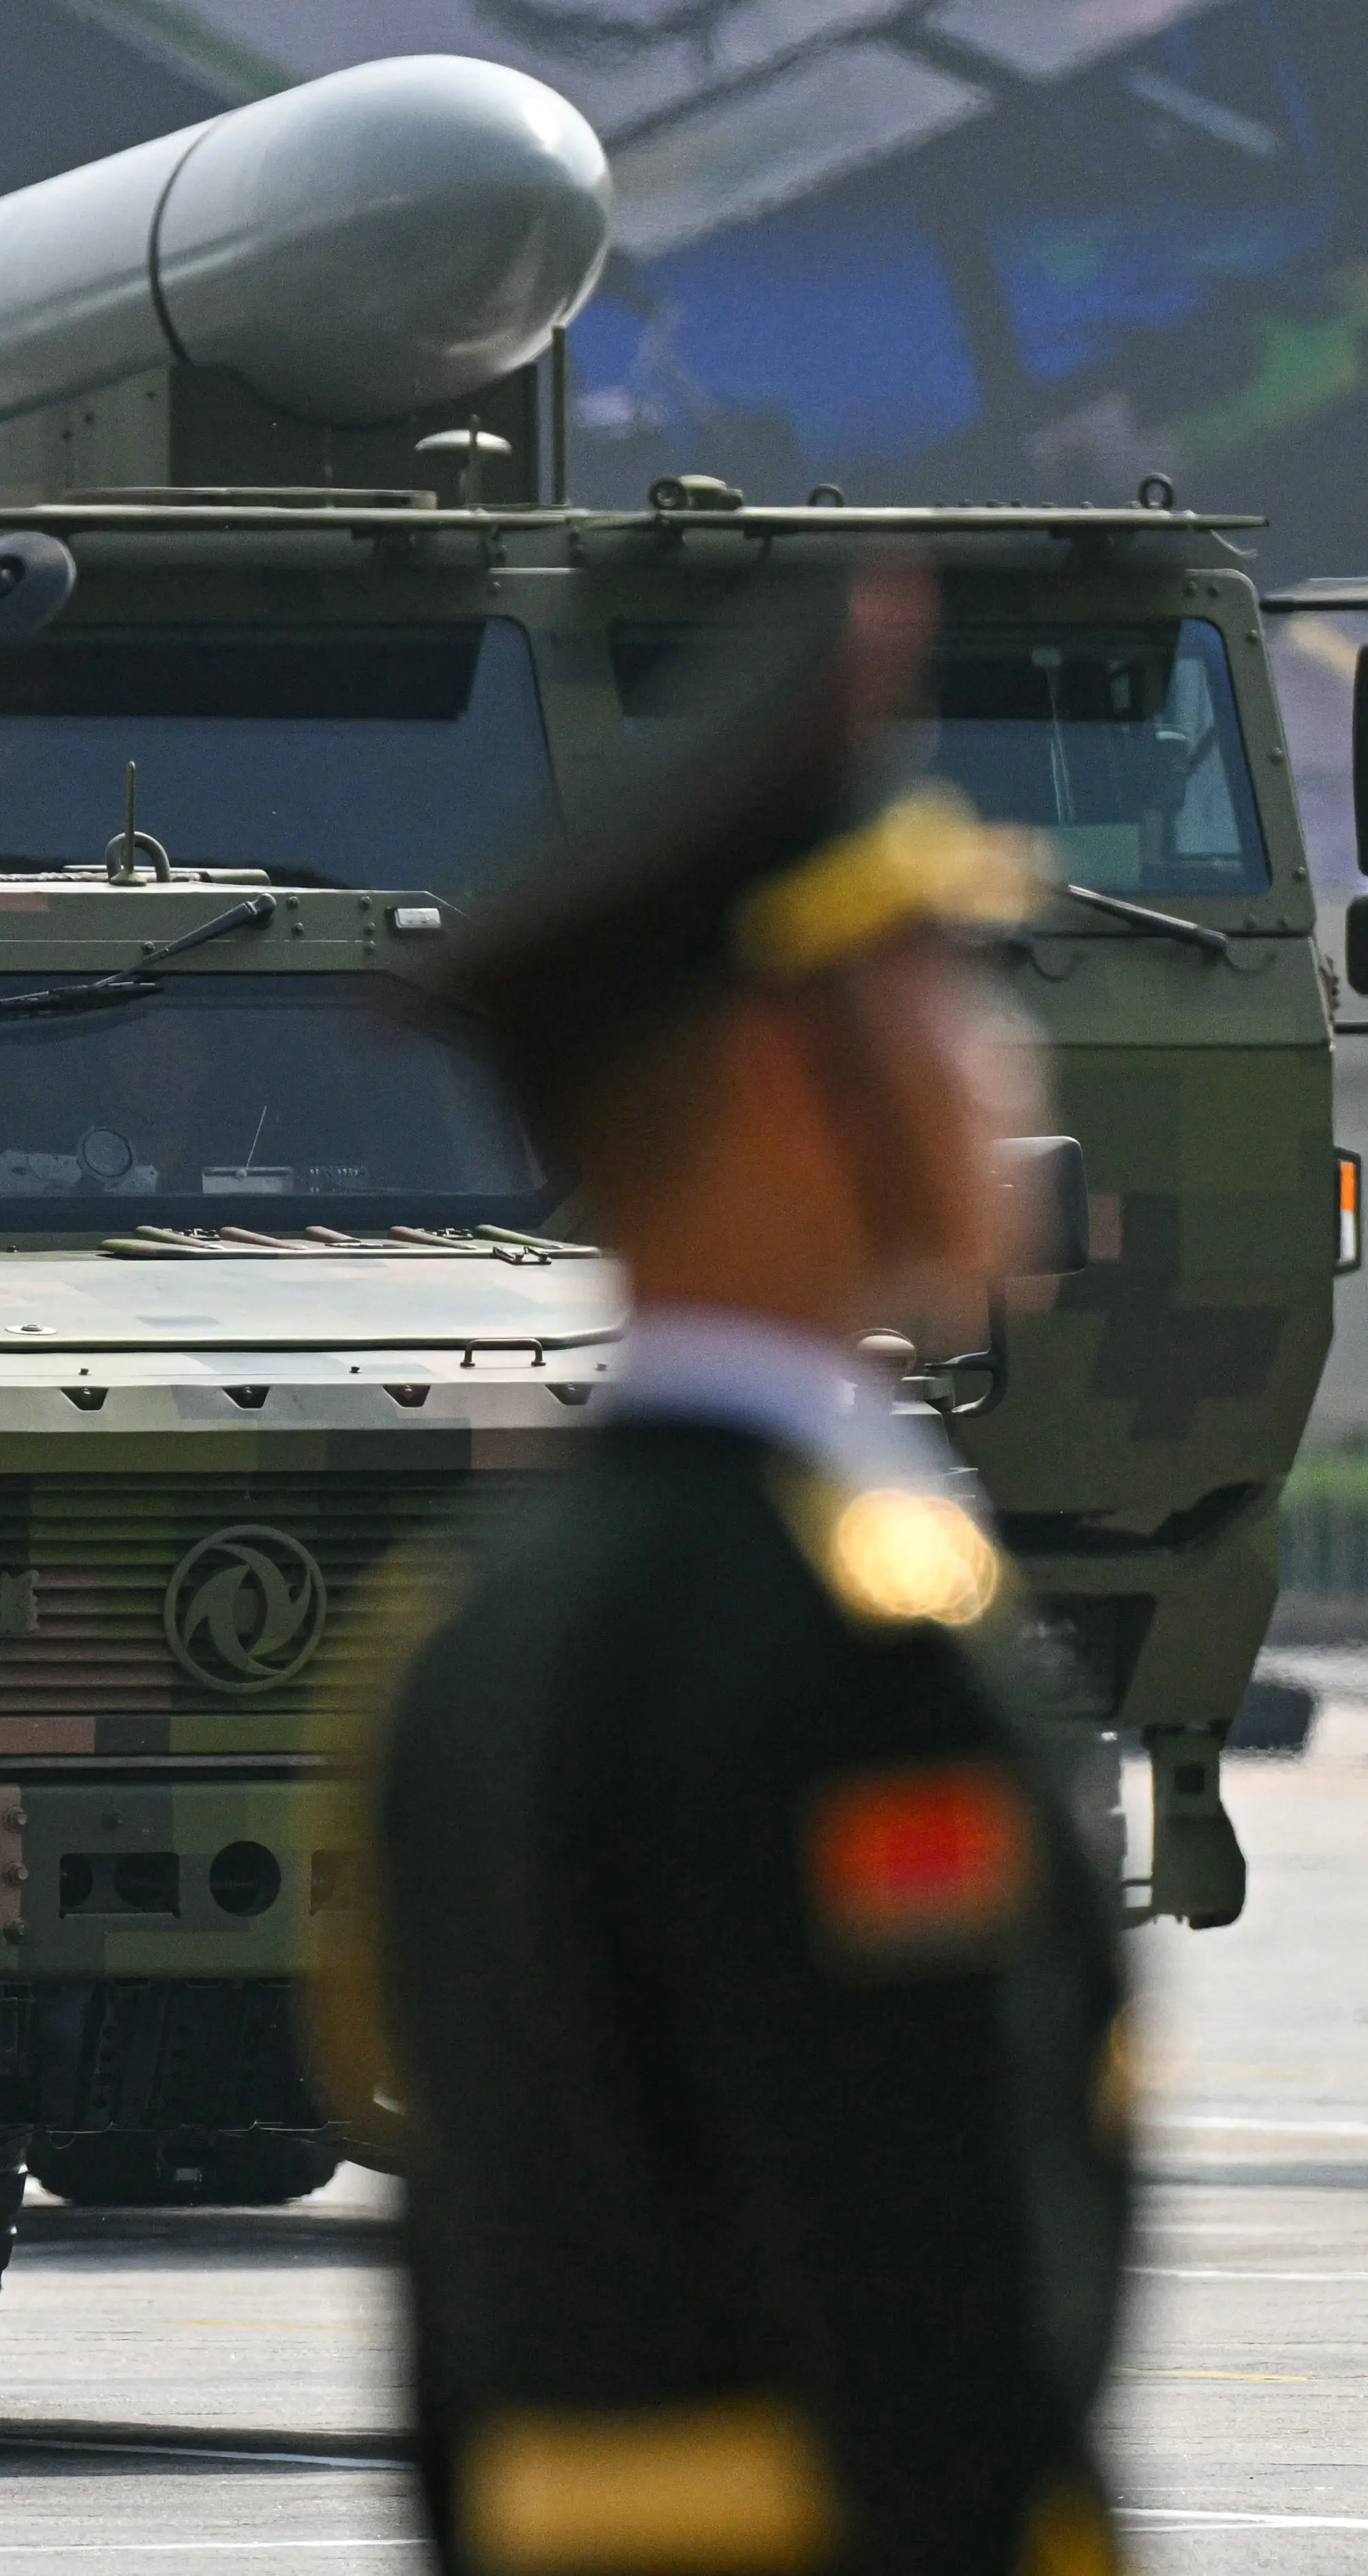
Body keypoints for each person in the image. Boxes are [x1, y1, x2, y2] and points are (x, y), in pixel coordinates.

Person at [362, 565, 1129, 2575]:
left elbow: (453, 2375)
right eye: (942, 992)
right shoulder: (846, 1640)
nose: (1002, 1069)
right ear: (799, 1081)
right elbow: (933, 2342)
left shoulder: (471, 1631)